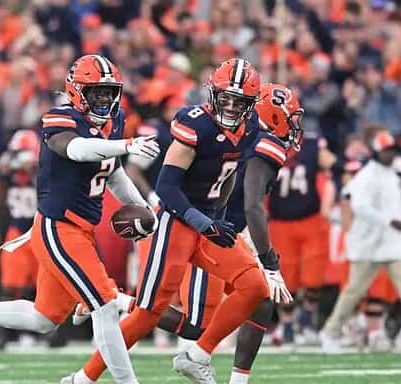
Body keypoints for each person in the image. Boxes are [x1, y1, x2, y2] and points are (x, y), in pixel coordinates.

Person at [0, 54, 160, 384]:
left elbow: (113, 174)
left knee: (44, 318)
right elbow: (77, 149)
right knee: (106, 307)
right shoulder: (59, 117)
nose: (104, 100)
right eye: (96, 92)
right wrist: (125, 145)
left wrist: (144, 209)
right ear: (76, 91)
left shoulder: (114, 121)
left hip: (81, 229)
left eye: (109, 92)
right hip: (59, 227)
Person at [73, 83, 302, 384]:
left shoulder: (247, 131)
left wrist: (216, 217)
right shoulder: (198, 124)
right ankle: (83, 377)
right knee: (150, 314)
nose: (233, 108)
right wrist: (265, 258)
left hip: (213, 226)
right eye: (228, 100)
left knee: (256, 289)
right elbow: (170, 187)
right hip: (180, 223)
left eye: (240, 101)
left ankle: (198, 356)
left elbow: (229, 177)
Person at [320, 129, 401, 353]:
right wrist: (389, 221)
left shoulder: (395, 171)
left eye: (391, 150)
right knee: (354, 292)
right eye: (385, 151)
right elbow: (359, 206)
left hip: (393, 244)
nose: (389, 155)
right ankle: (330, 332)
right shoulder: (367, 176)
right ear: (376, 152)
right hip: (368, 245)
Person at [267, 128, 337, 343]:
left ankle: (307, 315)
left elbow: (335, 165)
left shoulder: (313, 144)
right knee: (286, 277)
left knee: (313, 275)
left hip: (311, 219)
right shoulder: (265, 144)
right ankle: (287, 323)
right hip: (280, 222)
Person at [0, 129, 39, 349]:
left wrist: (33, 171)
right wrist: (2, 175)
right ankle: (3, 335)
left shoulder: (43, 170)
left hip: (39, 231)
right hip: (16, 232)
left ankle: (32, 332)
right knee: (9, 285)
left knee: (35, 285)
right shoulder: (10, 176)